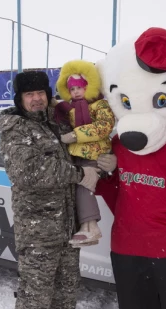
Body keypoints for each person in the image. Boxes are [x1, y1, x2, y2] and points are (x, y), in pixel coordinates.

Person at [0, 71, 102, 309]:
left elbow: (80, 149)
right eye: (30, 94)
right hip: (37, 228)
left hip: (67, 223)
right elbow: (29, 171)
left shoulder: (54, 123)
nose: (37, 98)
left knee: (67, 287)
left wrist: (99, 166)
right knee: (35, 295)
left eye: (41, 92)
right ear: (19, 98)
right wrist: (78, 175)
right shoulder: (14, 128)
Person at [54, 60, 115, 246]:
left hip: (96, 155)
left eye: (80, 87)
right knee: (80, 187)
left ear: (88, 86)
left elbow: (104, 126)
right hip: (77, 157)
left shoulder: (100, 105)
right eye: (72, 89)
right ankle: (87, 228)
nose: (76, 92)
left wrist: (75, 135)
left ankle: (91, 228)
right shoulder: (70, 109)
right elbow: (57, 110)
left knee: (84, 186)